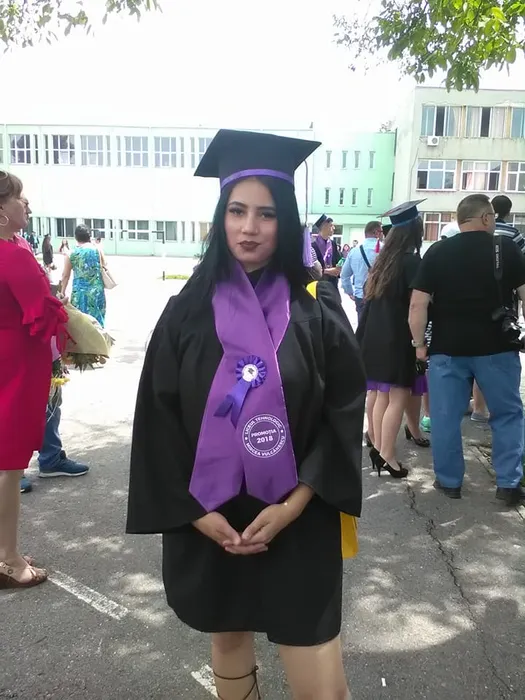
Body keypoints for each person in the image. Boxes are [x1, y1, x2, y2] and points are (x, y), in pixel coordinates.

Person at [127, 129, 366, 700]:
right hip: (213, 515)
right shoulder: (186, 310)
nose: (249, 228)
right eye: (237, 211)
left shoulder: (316, 308)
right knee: (228, 636)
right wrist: (194, 513)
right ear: (221, 216)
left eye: (266, 213)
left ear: (287, 221)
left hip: (297, 514)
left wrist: (294, 505)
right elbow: (158, 419)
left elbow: (342, 414)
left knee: (321, 681)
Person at [409, 194, 525, 506]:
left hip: (447, 350)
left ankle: (449, 482)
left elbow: (417, 305)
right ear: (487, 218)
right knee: (508, 415)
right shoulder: (506, 248)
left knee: (445, 417)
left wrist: (419, 346)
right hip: (498, 350)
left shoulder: (437, 251)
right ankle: (508, 484)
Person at [0, 171, 68, 588]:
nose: (25, 204)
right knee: (8, 465)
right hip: (17, 365)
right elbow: (43, 313)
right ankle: (7, 558)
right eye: (18, 197)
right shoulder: (14, 255)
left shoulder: (14, 249)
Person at [357, 200, 428, 479]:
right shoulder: (412, 263)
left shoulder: (382, 264)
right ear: (415, 232)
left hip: (374, 337)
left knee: (379, 395)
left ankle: (378, 446)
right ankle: (388, 456)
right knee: (398, 396)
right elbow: (417, 306)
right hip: (398, 338)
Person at [61, 224, 106, 327]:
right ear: (89, 236)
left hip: (80, 293)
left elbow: (65, 276)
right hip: (97, 291)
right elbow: (103, 265)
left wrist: (62, 291)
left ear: (76, 237)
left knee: (81, 324)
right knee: (98, 322)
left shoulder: (71, 253)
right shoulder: (97, 250)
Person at [341, 220, 382, 323]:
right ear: (376, 232)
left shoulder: (354, 251)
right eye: (381, 231)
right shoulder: (385, 249)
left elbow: (344, 275)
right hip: (380, 297)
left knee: (362, 327)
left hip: (361, 296)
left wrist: (350, 292)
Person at [311, 215, 342, 287]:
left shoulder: (333, 244)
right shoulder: (312, 245)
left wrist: (339, 267)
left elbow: (338, 260)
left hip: (332, 283)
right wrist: (327, 271)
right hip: (319, 283)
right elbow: (311, 268)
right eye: (331, 225)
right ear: (324, 226)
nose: (334, 228)